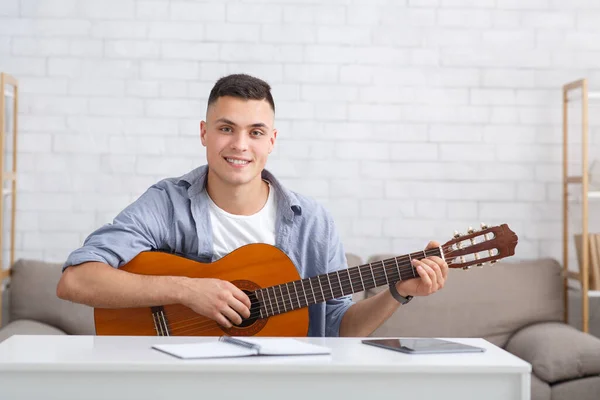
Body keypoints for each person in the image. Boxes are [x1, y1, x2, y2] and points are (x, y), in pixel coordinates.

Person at [57, 74, 448, 337]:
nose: (240, 145)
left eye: (255, 132)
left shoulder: (312, 222)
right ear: (204, 134)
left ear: (272, 141)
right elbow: (75, 280)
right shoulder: (167, 203)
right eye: (226, 128)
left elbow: (336, 328)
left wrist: (397, 292)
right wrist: (186, 290)